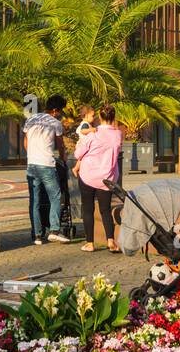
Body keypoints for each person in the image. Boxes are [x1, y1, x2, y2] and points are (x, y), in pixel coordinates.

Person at [74, 105, 123, 252]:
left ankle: (90, 243)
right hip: (107, 177)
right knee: (105, 209)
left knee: (88, 209)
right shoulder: (118, 134)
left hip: (88, 175)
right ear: (113, 117)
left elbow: (78, 154)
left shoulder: (92, 134)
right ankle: (111, 241)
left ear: (99, 117)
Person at [23, 95, 71, 245]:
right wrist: (63, 159)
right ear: (55, 110)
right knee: (55, 197)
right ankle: (54, 230)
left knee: (35, 200)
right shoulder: (55, 123)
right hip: (47, 164)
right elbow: (61, 145)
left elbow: (25, 142)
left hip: (32, 165)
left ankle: (37, 235)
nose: (61, 114)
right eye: (61, 111)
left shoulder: (31, 119)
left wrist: (31, 155)